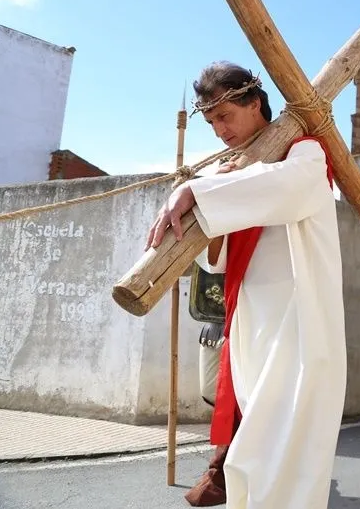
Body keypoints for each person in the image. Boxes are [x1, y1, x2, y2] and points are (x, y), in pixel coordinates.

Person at [146, 61, 345, 509]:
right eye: (212, 122)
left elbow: (286, 189)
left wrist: (199, 190)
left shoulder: (304, 152)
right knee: (252, 446)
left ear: (255, 103)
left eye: (225, 116)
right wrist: (208, 188)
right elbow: (216, 259)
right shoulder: (232, 169)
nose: (220, 130)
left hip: (299, 320)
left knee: (287, 443)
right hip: (251, 321)